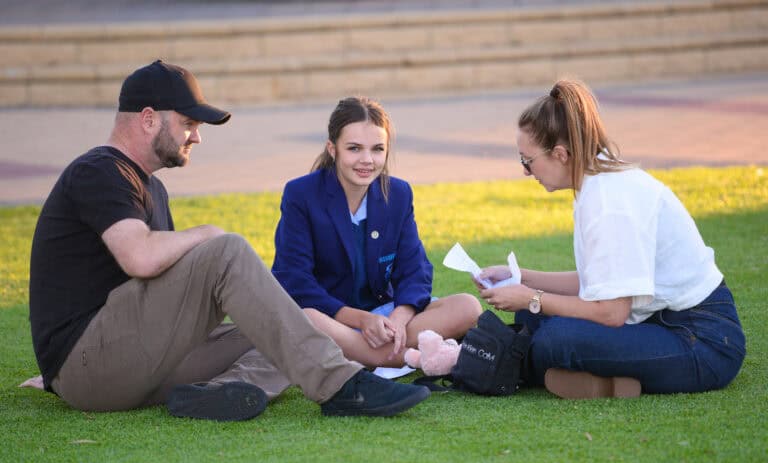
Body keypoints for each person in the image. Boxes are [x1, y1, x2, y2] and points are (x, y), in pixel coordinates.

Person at [28, 60, 430, 421]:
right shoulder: (99, 171)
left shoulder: (151, 188)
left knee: (290, 331)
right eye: (188, 123)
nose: (196, 137)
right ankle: (342, 387)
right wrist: (209, 235)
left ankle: (220, 393)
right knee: (227, 250)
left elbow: (156, 291)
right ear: (149, 119)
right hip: (94, 364)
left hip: (126, 361)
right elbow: (140, 259)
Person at [476, 79, 746, 399]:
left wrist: (532, 298)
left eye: (527, 160)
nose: (525, 171)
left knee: (554, 338)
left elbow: (611, 312)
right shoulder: (596, 184)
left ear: (561, 154)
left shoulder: (608, 203)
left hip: (703, 343)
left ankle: (519, 365)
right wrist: (519, 279)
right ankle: (582, 376)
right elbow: (600, 282)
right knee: (533, 319)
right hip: (660, 322)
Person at [272, 96, 482, 369]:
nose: (367, 160)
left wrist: (398, 319)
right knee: (306, 319)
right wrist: (361, 320)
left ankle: (368, 354)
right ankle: (398, 357)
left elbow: (415, 269)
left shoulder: (398, 193)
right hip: (332, 318)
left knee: (468, 307)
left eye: (377, 149)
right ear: (332, 149)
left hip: (384, 317)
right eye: (354, 149)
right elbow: (294, 280)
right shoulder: (301, 194)